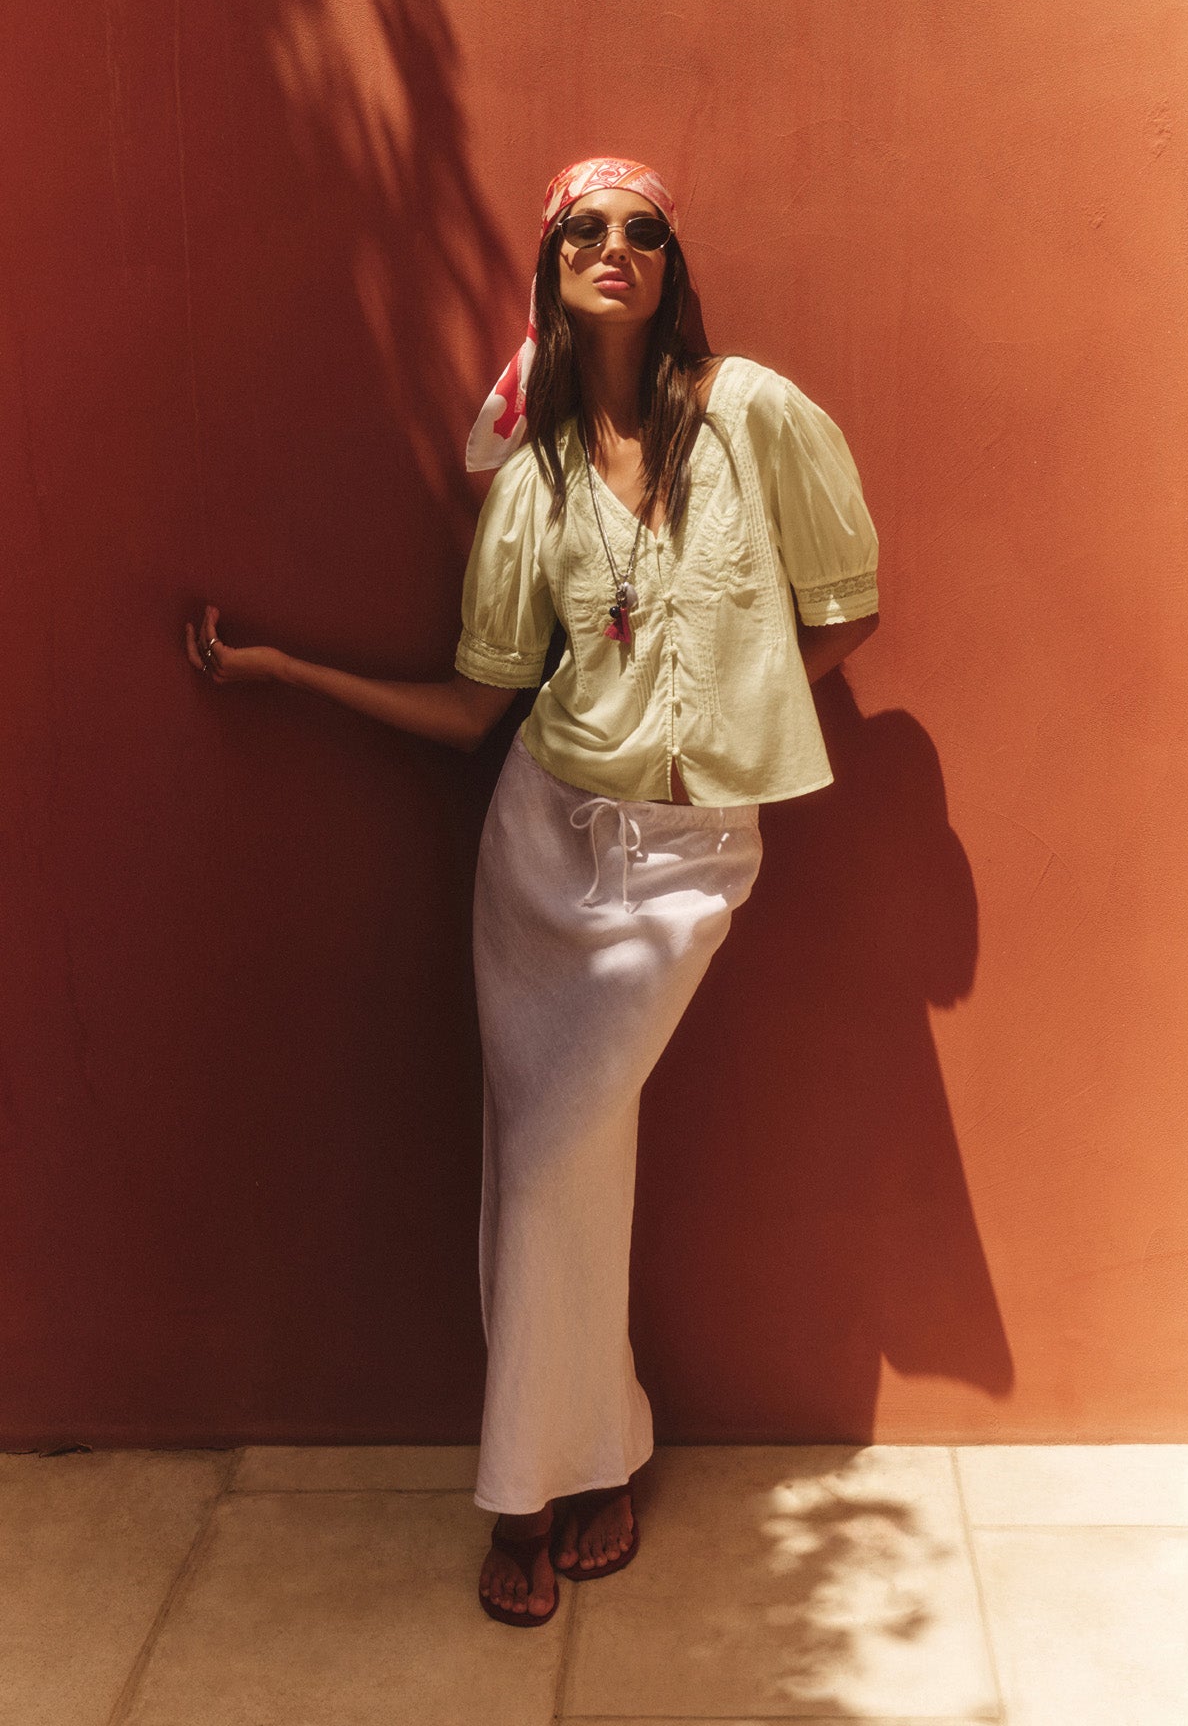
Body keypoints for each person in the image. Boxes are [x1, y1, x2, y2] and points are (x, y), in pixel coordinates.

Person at [185, 155, 879, 1627]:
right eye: (586, 230)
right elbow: (480, 702)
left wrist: (726, 732)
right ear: (553, 267)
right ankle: (582, 1466)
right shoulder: (536, 480)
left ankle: (540, 1476)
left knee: (557, 1156)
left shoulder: (754, 416)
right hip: (542, 846)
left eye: (642, 230)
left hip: (688, 862)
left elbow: (846, 606)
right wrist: (290, 674)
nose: (615, 247)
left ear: (669, 262)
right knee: (544, 1163)